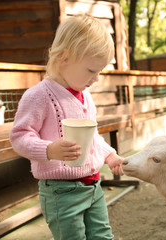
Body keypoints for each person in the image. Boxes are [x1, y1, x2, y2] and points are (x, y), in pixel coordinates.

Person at [10, 15, 123, 240]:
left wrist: (109, 155)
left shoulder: (86, 96)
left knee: (103, 236)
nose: (97, 78)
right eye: (91, 70)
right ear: (64, 58)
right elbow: (19, 137)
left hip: (93, 185)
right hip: (61, 192)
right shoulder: (39, 96)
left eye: (100, 71)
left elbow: (92, 138)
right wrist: (49, 150)